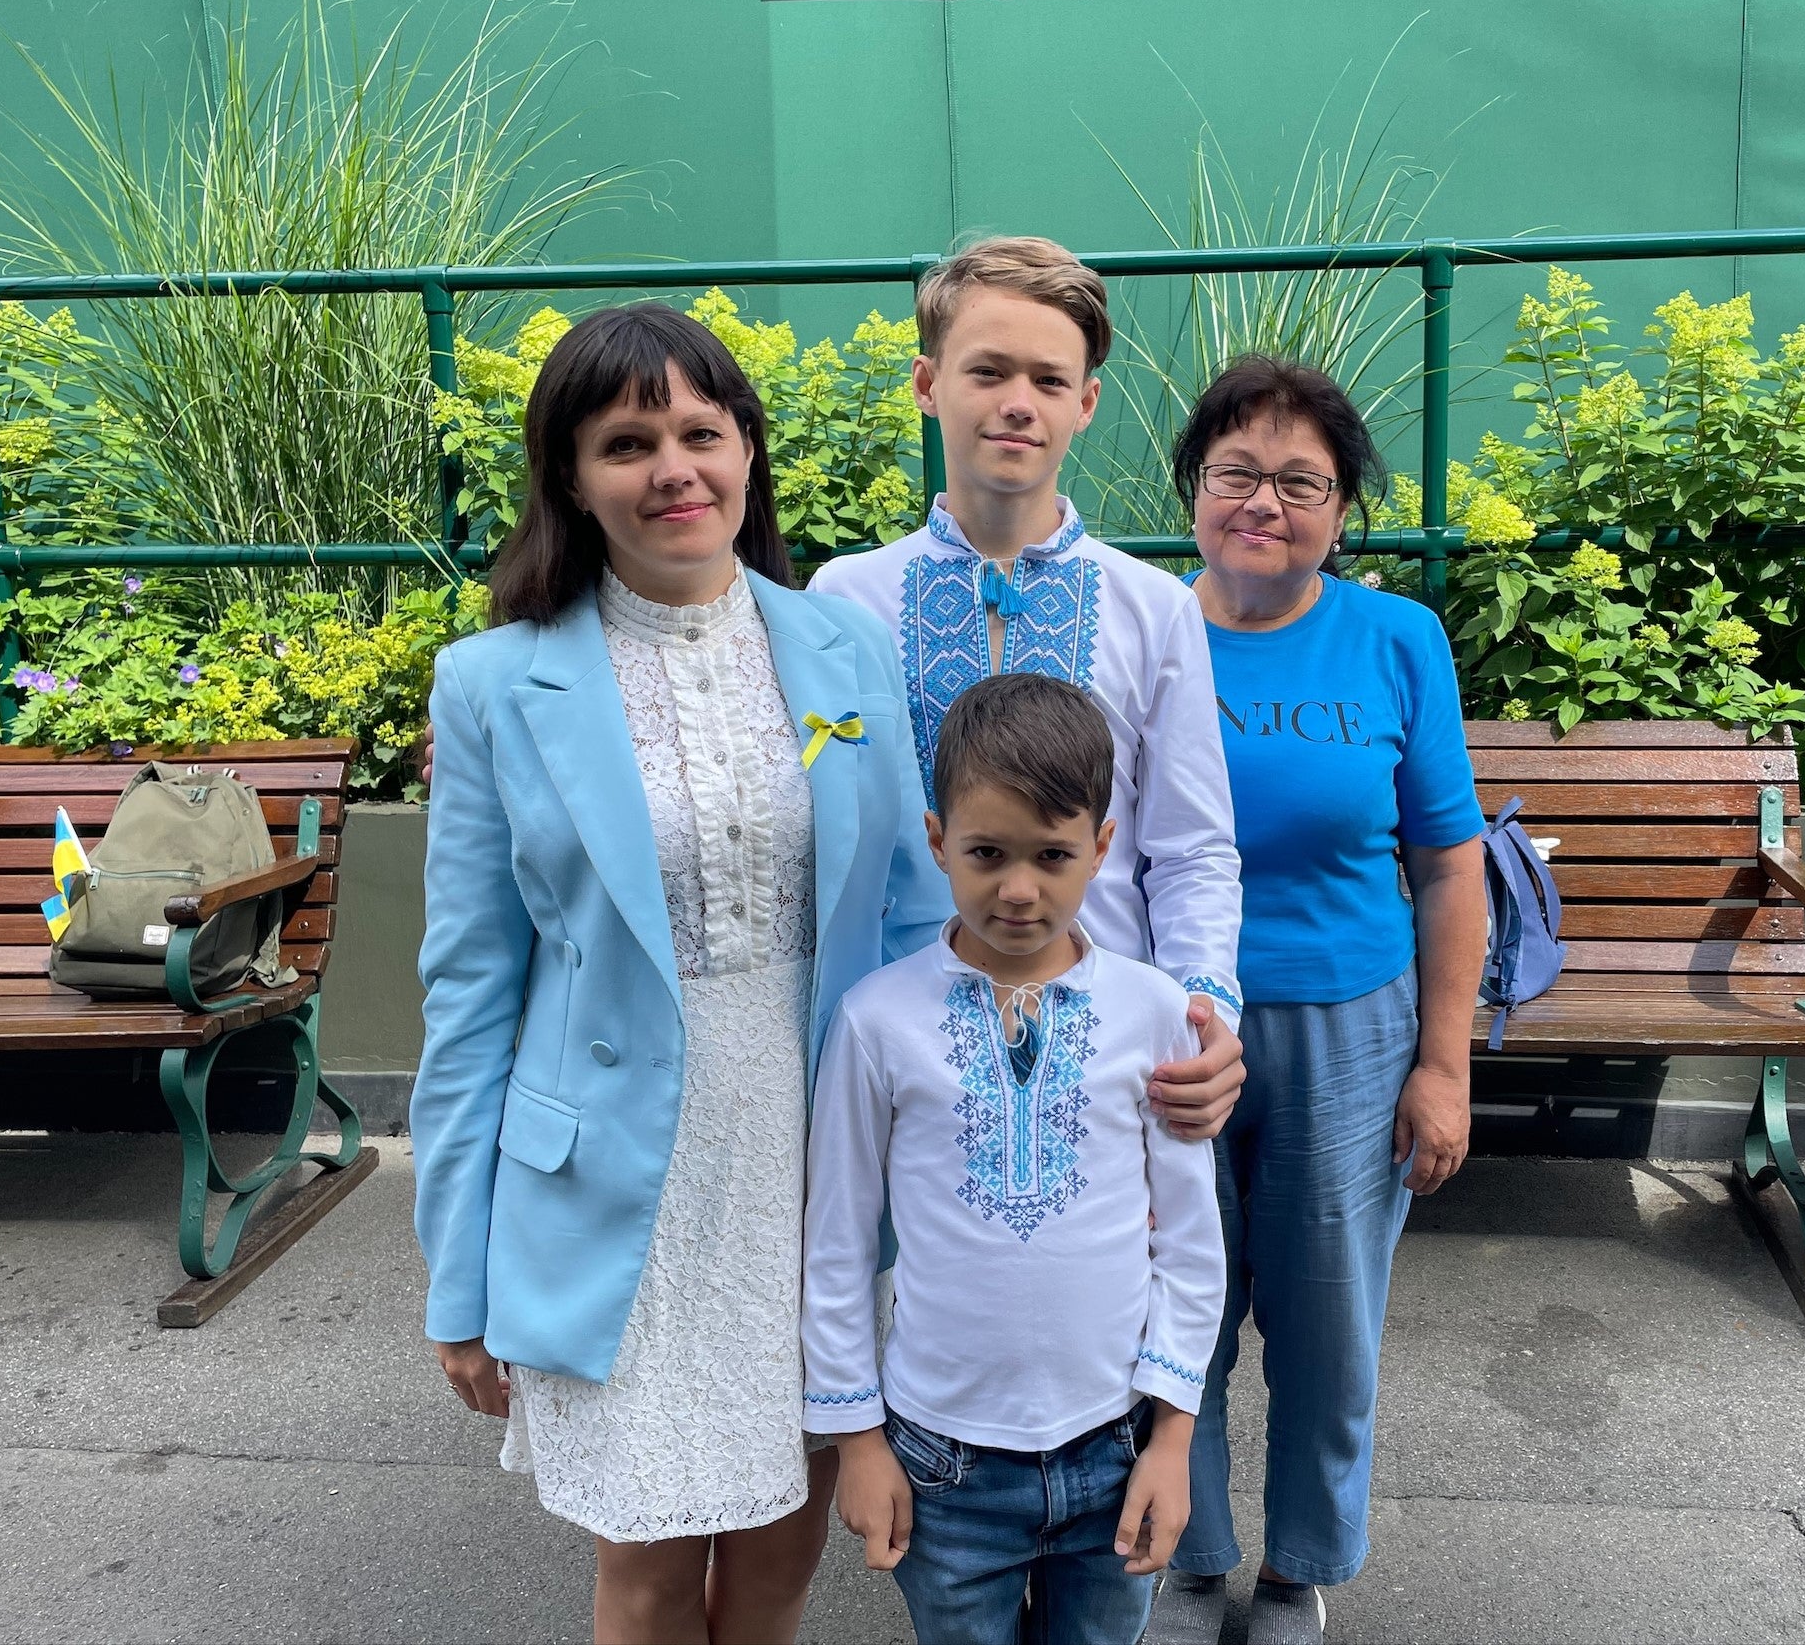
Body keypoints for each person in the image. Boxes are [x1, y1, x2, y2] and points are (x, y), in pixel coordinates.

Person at [411, 302, 947, 1645]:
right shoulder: (491, 686)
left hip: (814, 1166)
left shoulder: (841, 650)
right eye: (626, 442)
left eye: (702, 433)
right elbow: (470, 993)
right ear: (571, 479)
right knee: (649, 1566)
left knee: (777, 1558)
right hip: (613, 1189)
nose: (673, 470)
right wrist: (456, 1277)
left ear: (750, 454)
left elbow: (909, 915)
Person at [1146, 356, 1490, 1645]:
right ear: (1193, 490)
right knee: (1174, 1301)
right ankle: (1187, 1554)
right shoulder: (1140, 626)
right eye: (1236, 472)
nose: (1264, 500)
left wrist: (1441, 1064)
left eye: (1302, 480)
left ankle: (1297, 1567)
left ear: (1341, 508)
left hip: (1349, 1020)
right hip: (1175, 1021)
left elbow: (1449, 867)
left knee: (1327, 1320)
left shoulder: (1395, 639)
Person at [801, 671, 1227, 1645]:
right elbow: (834, 1244)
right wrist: (856, 1441)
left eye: (1052, 854)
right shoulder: (877, 1021)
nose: (1020, 888)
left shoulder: (1154, 1010)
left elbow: (1192, 1244)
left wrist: (1172, 1440)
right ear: (937, 837)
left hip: (1116, 1456)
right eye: (987, 852)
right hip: (939, 1468)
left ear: (1102, 849)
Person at [806, 235, 1247, 1140]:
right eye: (988, 372)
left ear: (1085, 404)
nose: (1017, 405)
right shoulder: (843, 598)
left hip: (1111, 1048)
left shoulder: (1153, 607)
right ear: (928, 385)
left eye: (1049, 381)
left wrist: (1205, 1015)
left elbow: (1193, 847)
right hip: (900, 1051)